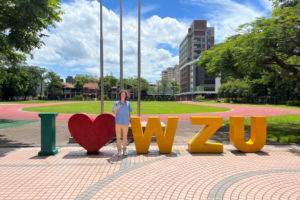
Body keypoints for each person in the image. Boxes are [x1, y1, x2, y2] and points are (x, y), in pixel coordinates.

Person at [112, 90, 132, 156]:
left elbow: (129, 113)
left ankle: (125, 150)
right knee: (118, 137)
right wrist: (117, 107)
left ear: (126, 95)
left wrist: (129, 120)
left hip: (125, 123)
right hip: (118, 122)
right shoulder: (116, 103)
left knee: (125, 137)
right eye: (122, 94)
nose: (123, 95)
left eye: (124, 94)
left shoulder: (128, 103)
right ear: (120, 95)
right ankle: (119, 151)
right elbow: (114, 112)